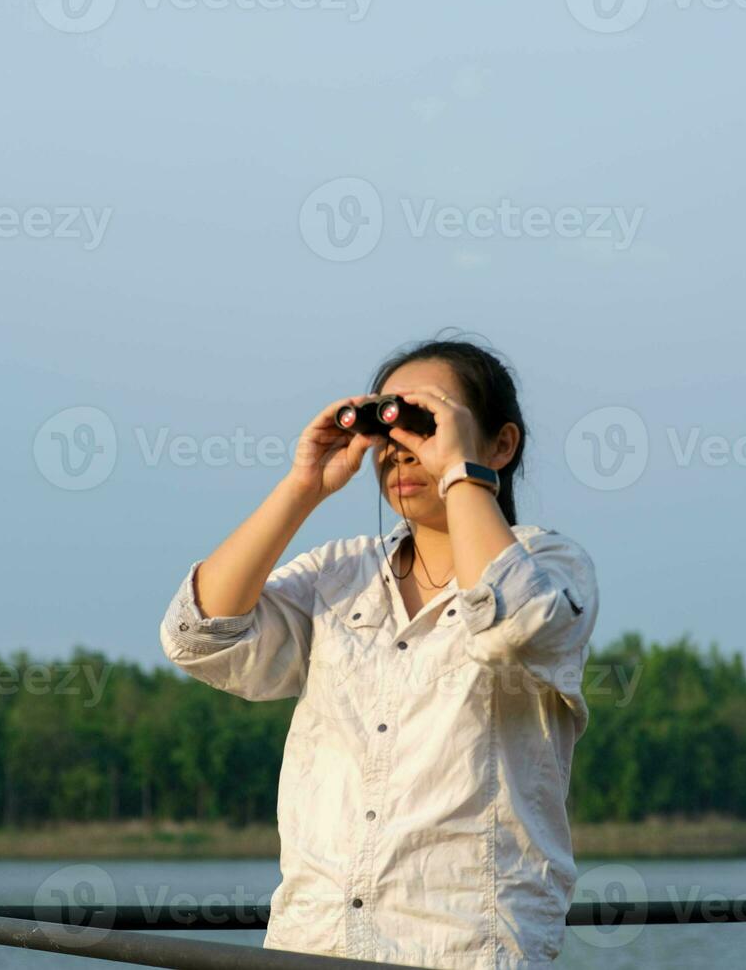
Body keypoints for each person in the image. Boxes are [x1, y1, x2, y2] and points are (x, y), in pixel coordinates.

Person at [160, 336, 600, 969]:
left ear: (501, 444)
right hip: (313, 945)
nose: (404, 448)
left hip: (464, 948)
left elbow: (511, 623)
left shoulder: (552, 569)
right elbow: (198, 636)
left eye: (428, 421)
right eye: (389, 425)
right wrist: (303, 487)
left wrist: (459, 474)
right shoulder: (338, 574)